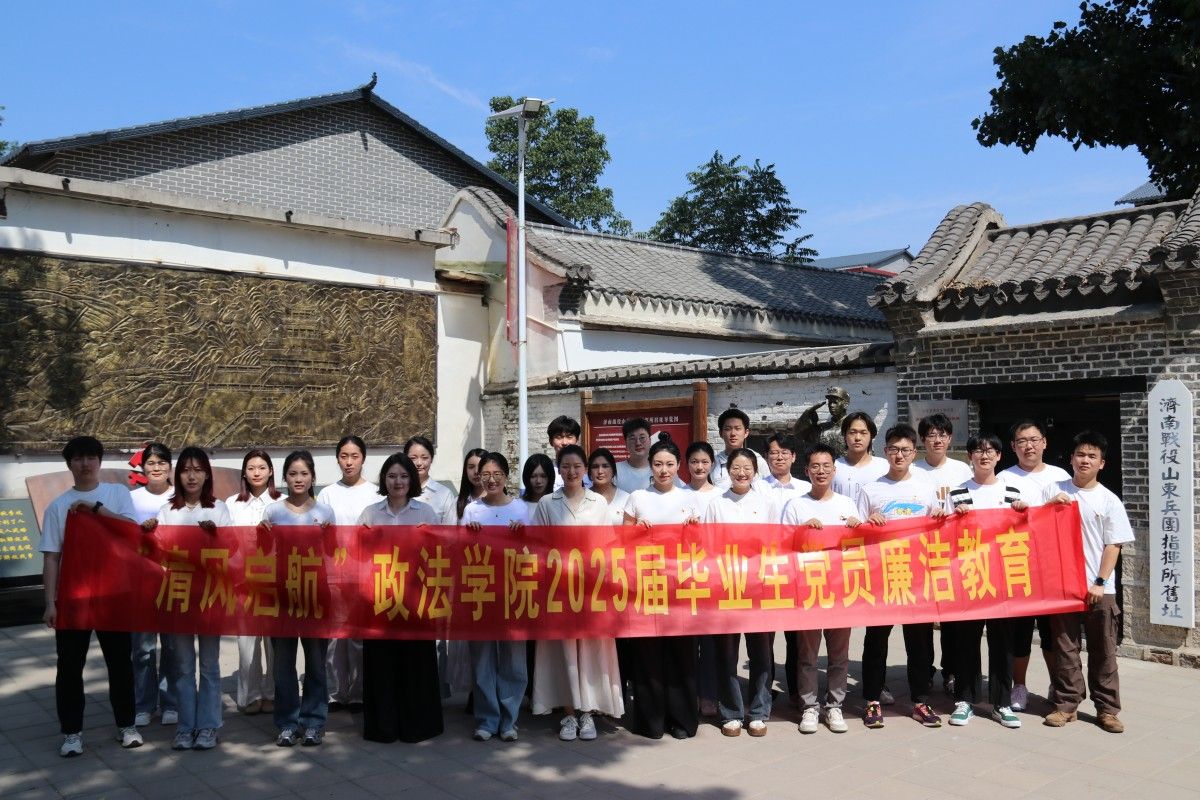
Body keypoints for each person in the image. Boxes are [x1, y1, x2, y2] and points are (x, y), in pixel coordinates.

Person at [40, 436, 141, 757]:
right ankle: (71, 733)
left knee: (120, 664)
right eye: (78, 458)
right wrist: (50, 603)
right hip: (74, 597)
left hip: (114, 593)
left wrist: (95, 509)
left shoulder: (117, 493)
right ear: (69, 464)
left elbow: (132, 530)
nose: (85, 464)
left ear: (99, 460)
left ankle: (127, 725)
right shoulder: (58, 507)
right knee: (70, 667)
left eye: (90, 457)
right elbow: (51, 558)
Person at [531, 444, 624, 741]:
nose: (571, 471)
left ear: (585, 470)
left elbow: (608, 546)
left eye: (577, 466)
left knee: (592, 650)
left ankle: (589, 712)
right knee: (564, 653)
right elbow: (537, 545)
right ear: (559, 469)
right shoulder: (547, 503)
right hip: (559, 591)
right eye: (566, 466)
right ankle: (569, 713)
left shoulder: (598, 503)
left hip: (591, 590)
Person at [858, 424, 948, 729]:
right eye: (894, 449)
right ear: (885, 452)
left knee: (919, 642)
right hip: (881, 576)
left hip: (918, 577)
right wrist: (868, 522)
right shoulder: (871, 489)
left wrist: (940, 518)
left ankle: (920, 700)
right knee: (876, 640)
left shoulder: (925, 487)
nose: (899, 455)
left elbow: (938, 528)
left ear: (914, 453)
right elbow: (856, 533)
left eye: (905, 450)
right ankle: (872, 699)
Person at [1042, 431, 1132, 734]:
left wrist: (1100, 581)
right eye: (1080, 454)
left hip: (1099, 587)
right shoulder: (1055, 490)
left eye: (1092, 456)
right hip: (1063, 585)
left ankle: (1107, 710)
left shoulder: (1109, 500)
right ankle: (1066, 705)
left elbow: (1114, 544)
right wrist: (1049, 505)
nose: (1085, 460)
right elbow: (1033, 525)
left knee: (1103, 650)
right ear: (1071, 459)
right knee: (1065, 648)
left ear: (1102, 463)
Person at [146, 447, 232, 751]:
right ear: (177, 474)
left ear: (207, 474)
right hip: (179, 594)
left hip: (209, 595)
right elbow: (157, 555)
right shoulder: (167, 511)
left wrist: (215, 538)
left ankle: (208, 725)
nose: (191, 476)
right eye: (185, 470)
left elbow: (233, 551)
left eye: (197, 470)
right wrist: (149, 535)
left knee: (209, 664)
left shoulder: (218, 509)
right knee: (182, 665)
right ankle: (185, 726)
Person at [358, 452, 444, 743]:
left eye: (404, 476)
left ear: (412, 480)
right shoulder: (370, 514)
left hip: (415, 601)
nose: (398, 482)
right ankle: (383, 726)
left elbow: (439, 556)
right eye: (392, 476)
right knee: (381, 664)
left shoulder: (426, 514)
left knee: (415, 664)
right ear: (384, 479)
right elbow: (357, 555)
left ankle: (417, 725)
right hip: (380, 600)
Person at [946, 433, 1030, 729]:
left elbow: (1024, 533)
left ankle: (1002, 703)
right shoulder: (957, 493)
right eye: (978, 451)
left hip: (1002, 578)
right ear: (970, 456)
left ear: (999, 456)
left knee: (1002, 642)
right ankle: (965, 700)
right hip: (969, 577)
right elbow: (944, 535)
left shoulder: (1012, 492)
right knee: (966, 640)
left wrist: (1024, 513)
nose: (984, 455)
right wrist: (950, 517)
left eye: (990, 450)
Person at [622, 435, 702, 740]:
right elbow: (622, 544)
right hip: (646, 586)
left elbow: (702, 546)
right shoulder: (637, 498)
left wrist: (694, 532)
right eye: (658, 464)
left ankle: (681, 719)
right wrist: (635, 533)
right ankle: (651, 721)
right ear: (650, 466)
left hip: (680, 587)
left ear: (679, 465)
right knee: (648, 654)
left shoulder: (690, 499)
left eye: (669, 464)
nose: (664, 470)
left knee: (681, 654)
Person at [781, 443, 861, 734]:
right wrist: (801, 532)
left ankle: (835, 705)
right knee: (808, 655)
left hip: (841, 589)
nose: (821, 471)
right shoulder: (795, 506)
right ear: (806, 470)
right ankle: (809, 708)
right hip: (809, 589)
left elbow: (859, 548)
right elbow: (783, 547)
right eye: (815, 466)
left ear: (834, 470)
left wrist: (857, 528)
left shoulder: (847, 504)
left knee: (839, 654)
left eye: (826, 466)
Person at [704, 448, 779, 737]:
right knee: (727, 654)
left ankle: (759, 712)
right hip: (726, 587)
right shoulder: (716, 504)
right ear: (727, 471)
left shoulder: (767, 503)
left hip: (759, 587)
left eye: (747, 467)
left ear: (755, 472)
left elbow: (776, 543)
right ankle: (731, 713)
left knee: (761, 653)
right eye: (736, 467)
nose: (741, 473)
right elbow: (708, 545)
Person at [262, 450, 335, 747]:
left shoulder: (325, 512)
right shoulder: (273, 512)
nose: (298, 479)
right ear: (285, 478)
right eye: (293, 474)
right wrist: (262, 535)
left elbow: (334, 554)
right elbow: (262, 553)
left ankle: (314, 722)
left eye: (304, 473)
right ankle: (287, 723)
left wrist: (330, 536)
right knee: (283, 664)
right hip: (282, 592)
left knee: (316, 662)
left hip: (315, 591)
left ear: (313, 477)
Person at [999, 419, 1072, 711]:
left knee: (1053, 632)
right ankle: (1019, 686)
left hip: (1052, 567)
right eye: (1022, 441)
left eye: (1033, 440)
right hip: (1018, 566)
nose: (1028, 446)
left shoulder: (1060, 476)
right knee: (1020, 631)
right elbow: (999, 521)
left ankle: (1056, 684)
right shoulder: (1004, 478)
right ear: (1013, 446)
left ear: (1044, 443)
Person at [462, 452, 531, 742]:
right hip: (480, 590)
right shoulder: (472, 510)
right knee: (482, 659)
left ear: (506, 476)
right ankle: (487, 719)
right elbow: (459, 551)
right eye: (485, 475)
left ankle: (509, 720)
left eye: (497, 474)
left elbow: (534, 551)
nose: (491, 480)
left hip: (513, 591)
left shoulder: (521, 509)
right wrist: (468, 535)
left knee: (514, 659)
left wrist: (522, 535)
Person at [912, 413, 972, 697]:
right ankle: (924, 672)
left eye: (942, 435)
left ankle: (951, 671)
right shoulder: (913, 470)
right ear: (923, 440)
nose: (937, 440)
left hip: (953, 553)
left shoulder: (962, 470)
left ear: (950, 439)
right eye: (931, 435)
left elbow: (972, 505)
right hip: (920, 553)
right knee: (922, 617)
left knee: (952, 619)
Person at [317, 435, 378, 710]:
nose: (349, 462)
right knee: (334, 637)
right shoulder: (328, 493)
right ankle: (335, 692)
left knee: (359, 638)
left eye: (354, 456)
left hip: (365, 574)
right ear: (337, 459)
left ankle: (358, 692)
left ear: (363, 458)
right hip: (335, 572)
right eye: (344, 456)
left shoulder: (376, 493)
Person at [226, 449, 281, 716]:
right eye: (251, 468)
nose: (256, 472)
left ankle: (271, 693)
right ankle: (250, 694)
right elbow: (225, 542)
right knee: (247, 642)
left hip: (274, 582)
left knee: (273, 643)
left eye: (261, 467)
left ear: (270, 471)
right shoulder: (232, 503)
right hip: (243, 581)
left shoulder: (282, 503)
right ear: (244, 473)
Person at [127, 442, 179, 729]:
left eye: (161, 463)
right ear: (143, 467)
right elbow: (121, 536)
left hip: (174, 581)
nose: (156, 468)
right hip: (141, 582)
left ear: (170, 467)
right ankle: (144, 704)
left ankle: (171, 702)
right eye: (151, 463)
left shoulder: (179, 497)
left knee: (172, 645)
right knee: (143, 648)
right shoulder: (131, 499)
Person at [684, 440, 722, 716]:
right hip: (684, 576)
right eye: (694, 462)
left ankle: (709, 694)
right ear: (686, 465)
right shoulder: (678, 493)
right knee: (687, 641)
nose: (699, 467)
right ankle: (688, 695)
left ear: (712, 465)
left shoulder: (721, 496)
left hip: (713, 576)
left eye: (704, 462)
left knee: (710, 642)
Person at [833, 411, 889, 501]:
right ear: (844, 435)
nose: (858, 438)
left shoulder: (884, 466)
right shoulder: (834, 467)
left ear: (871, 436)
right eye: (852, 432)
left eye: (863, 433)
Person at [710, 408, 769, 488]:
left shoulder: (758, 460)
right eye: (728, 429)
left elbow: (768, 488)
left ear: (746, 433)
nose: (733, 433)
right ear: (720, 433)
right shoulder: (714, 463)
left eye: (737, 429)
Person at [405, 435, 457, 524]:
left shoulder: (445, 494)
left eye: (424, 458)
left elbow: (450, 529)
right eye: (413, 458)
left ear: (431, 459)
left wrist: (432, 530)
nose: (419, 463)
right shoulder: (397, 490)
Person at [794, 385, 851, 457]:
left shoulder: (852, 427)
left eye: (835, 402)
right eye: (830, 402)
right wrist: (806, 416)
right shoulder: (821, 429)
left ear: (845, 404)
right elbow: (798, 435)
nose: (831, 405)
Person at [546, 415, 591, 490]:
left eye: (569, 437)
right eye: (559, 437)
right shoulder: (546, 471)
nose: (564, 442)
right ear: (551, 441)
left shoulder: (588, 473)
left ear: (577, 440)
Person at [588, 448, 630, 526]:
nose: (600, 471)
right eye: (595, 467)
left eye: (605, 466)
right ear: (589, 472)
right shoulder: (582, 498)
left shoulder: (626, 499)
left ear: (613, 470)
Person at [614, 417, 655, 494]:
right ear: (626, 444)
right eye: (632, 438)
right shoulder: (615, 470)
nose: (638, 443)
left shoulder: (661, 469)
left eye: (642, 437)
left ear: (650, 441)